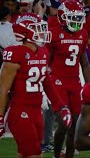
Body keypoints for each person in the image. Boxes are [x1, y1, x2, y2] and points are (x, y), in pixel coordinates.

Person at [0, 13, 72, 157]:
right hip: (20, 110)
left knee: (27, 153)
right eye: (37, 28)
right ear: (25, 31)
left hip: (37, 110)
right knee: (34, 154)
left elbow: (47, 82)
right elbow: (3, 89)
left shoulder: (43, 51)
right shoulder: (15, 53)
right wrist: (0, 116)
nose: (42, 32)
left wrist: (61, 106)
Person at [45, 0, 90, 158]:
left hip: (74, 81)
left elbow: (84, 63)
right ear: (62, 17)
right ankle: (57, 154)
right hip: (57, 81)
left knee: (76, 125)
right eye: (73, 17)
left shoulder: (83, 33)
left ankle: (69, 155)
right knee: (65, 122)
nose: (77, 21)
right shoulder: (53, 33)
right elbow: (45, 62)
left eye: (79, 18)